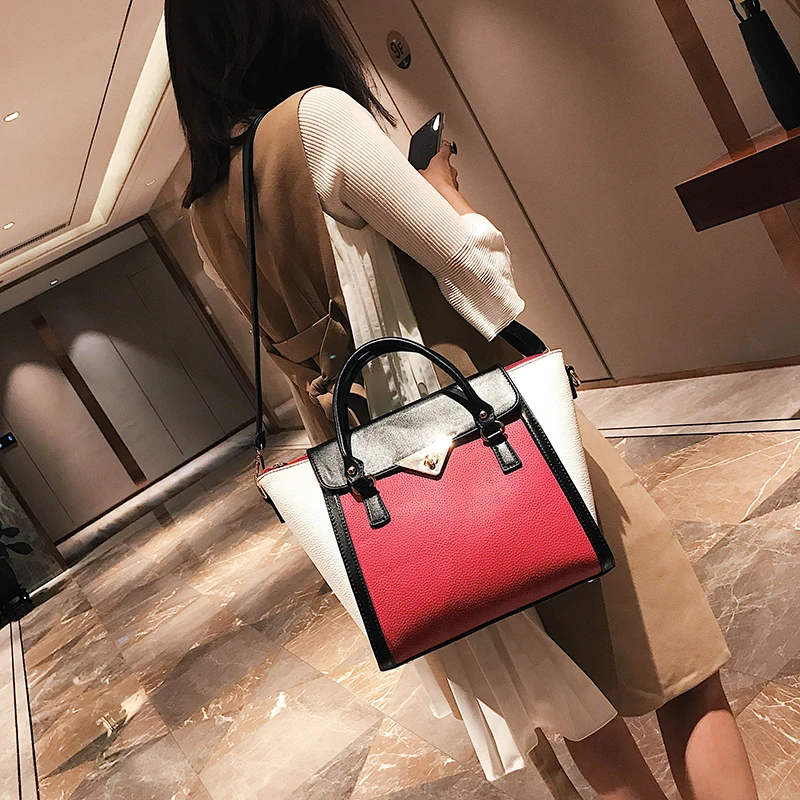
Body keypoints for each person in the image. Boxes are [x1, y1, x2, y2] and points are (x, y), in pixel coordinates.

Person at [164, 2, 758, 798]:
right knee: (680, 665)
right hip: (497, 436)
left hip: (404, 504)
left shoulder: (204, 213)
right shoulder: (317, 119)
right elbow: (479, 271)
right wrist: (443, 188)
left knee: (578, 710)